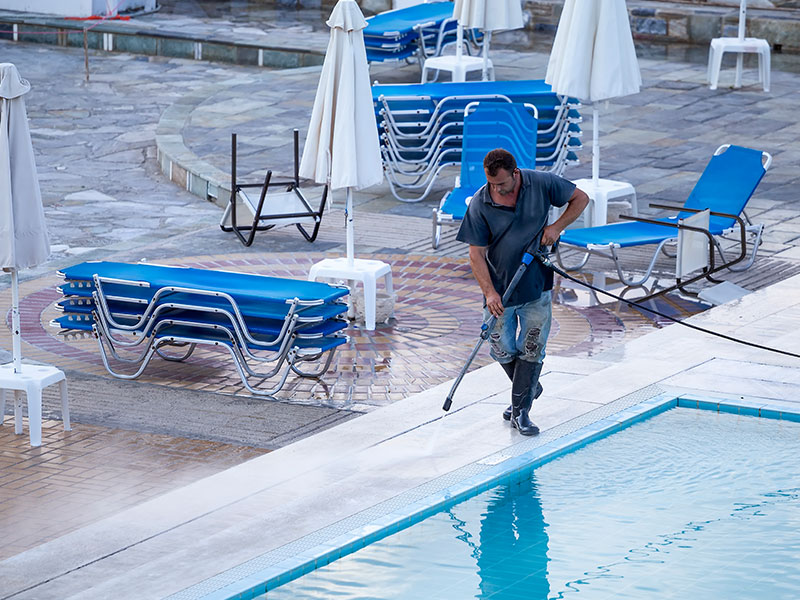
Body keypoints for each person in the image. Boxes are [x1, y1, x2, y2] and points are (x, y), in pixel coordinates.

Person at [456, 148, 589, 435]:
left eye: (502, 184)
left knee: (532, 347)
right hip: (500, 290)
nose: (497, 189)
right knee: (500, 346)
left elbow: (581, 198)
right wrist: (490, 293)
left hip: (536, 284)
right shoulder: (480, 203)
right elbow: (475, 255)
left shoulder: (541, 183)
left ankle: (521, 413)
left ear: (516, 173)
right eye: (492, 184)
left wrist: (556, 227)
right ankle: (528, 387)